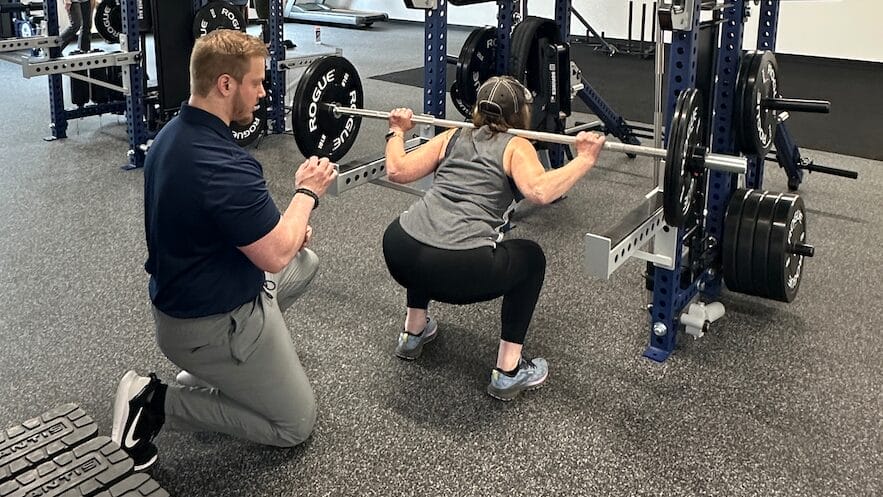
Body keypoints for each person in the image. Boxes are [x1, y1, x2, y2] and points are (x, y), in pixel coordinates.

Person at [110, 29, 337, 470]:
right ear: (226, 85)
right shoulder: (223, 165)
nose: (264, 92)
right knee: (295, 423)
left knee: (303, 261)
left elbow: (233, 228)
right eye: (257, 82)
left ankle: (211, 374)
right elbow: (272, 255)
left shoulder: (173, 135)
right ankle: (156, 404)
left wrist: (286, 234)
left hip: (187, 299)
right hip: (210, 325)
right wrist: (306, 194)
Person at [381, 76, 605, 401]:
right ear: (520, 115)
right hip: (459, 269)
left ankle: (413, 333)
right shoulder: (516, 145)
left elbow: (397, 170)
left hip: (399, 248)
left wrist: (397, 130)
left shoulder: (453, 136)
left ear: (476, 109)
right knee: (532, 259)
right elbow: (540, 191)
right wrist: (584, 159)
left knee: (432, 227)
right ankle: (508, 371)